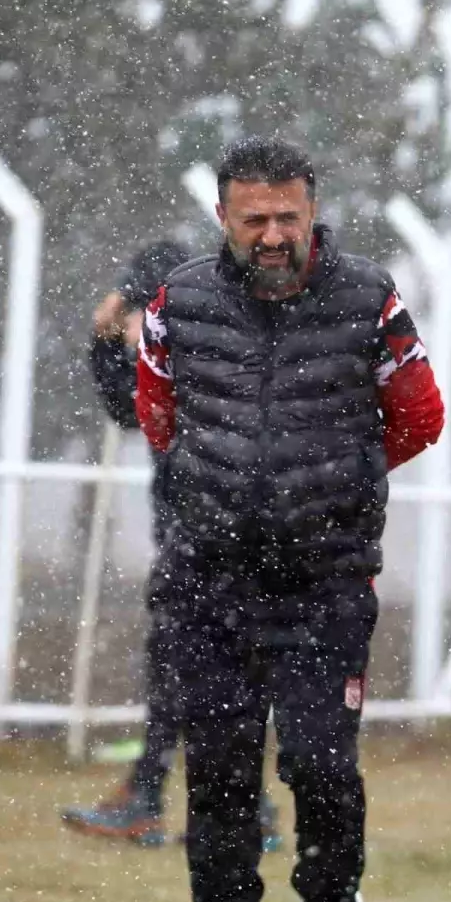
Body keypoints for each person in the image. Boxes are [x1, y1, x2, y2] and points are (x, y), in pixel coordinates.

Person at [135, 136, 444, 902]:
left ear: (312, 211)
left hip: (325, 589)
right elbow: (156, 413)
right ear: (224, 218)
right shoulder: (178, 302)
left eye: (287, 217)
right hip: (210, 586)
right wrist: (227, 495)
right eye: (254, 218)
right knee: (222, 780)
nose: (272, 235)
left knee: (318, 766)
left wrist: (336, 481)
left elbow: (421, 417)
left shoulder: (370, 298)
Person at [60, 241, 282, 852]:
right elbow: (126, 408)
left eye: (134, 312)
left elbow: (133, 409)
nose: (128, 325)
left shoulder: (201, 363)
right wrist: (105, 343)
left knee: (195, 678)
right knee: (190, 678)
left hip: (216, 551)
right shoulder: (193, 360)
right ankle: (204, 805)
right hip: (205, 549)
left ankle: (175, 804)